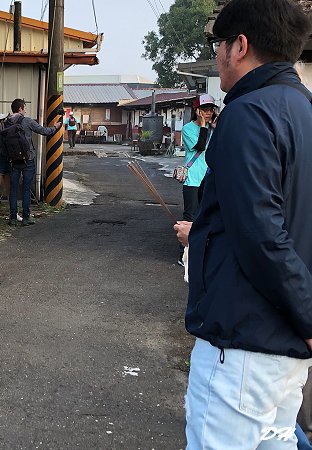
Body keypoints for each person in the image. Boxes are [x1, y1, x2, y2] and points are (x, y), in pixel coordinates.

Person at [182, 0, 312, 447]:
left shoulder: (247, 112)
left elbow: (262, 234)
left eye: (218, 44)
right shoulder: (303, 109)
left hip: (242, 347)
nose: (217, 55)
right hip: (286, 353)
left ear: (239, 46)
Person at [6, 98, 61, 226]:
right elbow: (44, 131)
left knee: (13, 190)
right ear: (20, 108)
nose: (25, 111)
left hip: (12, 160)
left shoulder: (6, 122)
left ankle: (13, 218)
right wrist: (55, 127)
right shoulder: (27, 121)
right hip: (28, 159)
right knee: (26, 189)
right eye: (24, 108)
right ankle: (26, 218)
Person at [177, 94, 217, 266]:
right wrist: (202, 126)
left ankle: (203, 252)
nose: (208, 113)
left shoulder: (214, 129)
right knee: (190, 216)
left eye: (211, 110)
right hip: (193, 179)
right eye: (205, 110)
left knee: (208, 216)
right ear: (197, 111)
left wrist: (216, 127)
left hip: (210, 178)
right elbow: (200, 146)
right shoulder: (188, 129)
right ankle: (184, 254)